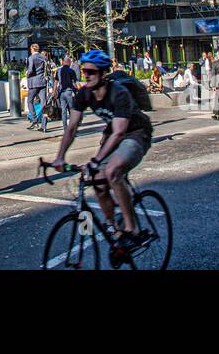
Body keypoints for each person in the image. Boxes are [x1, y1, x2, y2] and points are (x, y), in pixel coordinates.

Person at [49, 50, 153, 254]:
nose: (86, 75)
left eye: (91, 72)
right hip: (112, 133)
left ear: (103, 73)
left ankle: (131, 230)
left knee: (113, 171)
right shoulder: (84, 93)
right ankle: (116, 230)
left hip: (136, 133)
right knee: (97, 180)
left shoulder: (118, 93)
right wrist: (60, 157)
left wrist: (96, 159)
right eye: (84, 71)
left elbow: (119, 132)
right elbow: (72, 128)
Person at [25, 44, 50, 132]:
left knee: (29, 101)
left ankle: (35, 121)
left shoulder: (31, 58)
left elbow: (31, 70)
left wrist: (27, 73)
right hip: (43, 82)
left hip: (34, 83)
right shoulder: (43, 57)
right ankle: (44, 125)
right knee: (44, 103)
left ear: (32, 49)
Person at [54, 54, 78, 120]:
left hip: (61, 93)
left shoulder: (58, 71)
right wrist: (77, 90)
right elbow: (74, 82)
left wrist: (54, 92)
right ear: (68, 62)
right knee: (71, 109)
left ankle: (65, 127)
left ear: (63, 62)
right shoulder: (71, 71)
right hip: (69, 92)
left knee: (63, 111)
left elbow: (56, 82)